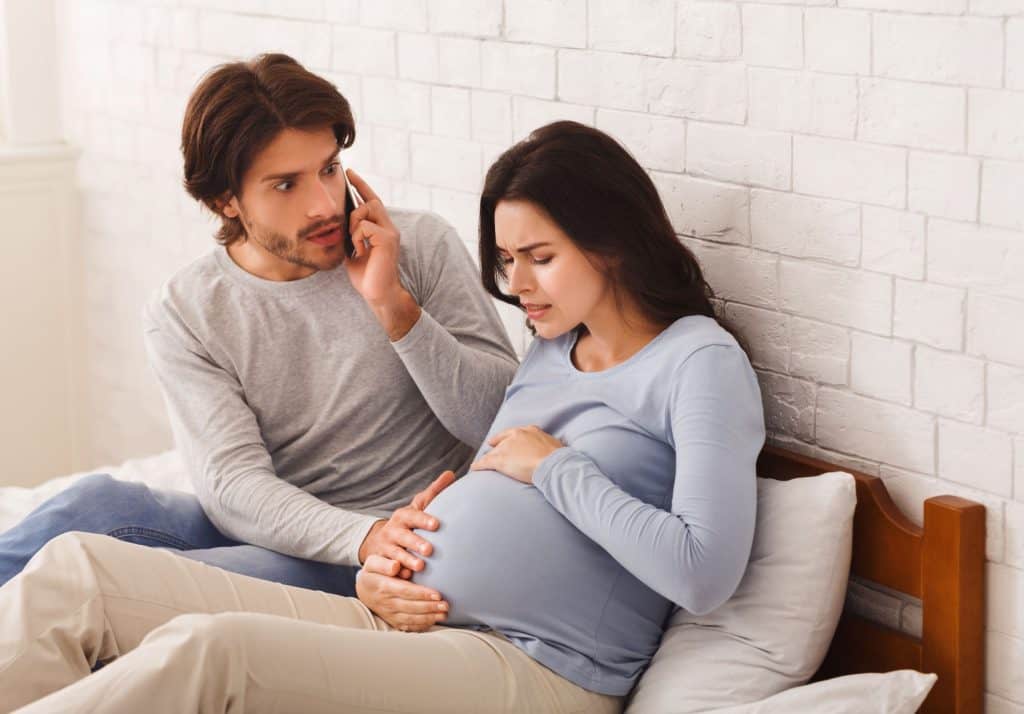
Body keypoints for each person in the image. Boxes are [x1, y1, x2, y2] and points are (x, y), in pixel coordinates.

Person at [0, 121, 766, 714]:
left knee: (211, 652)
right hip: (408, 614)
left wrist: (555, 468)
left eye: (539, 256)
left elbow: (702, 574)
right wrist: (379, 571)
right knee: (77, 570)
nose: (516, 285)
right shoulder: (555, 341)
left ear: (613, 242)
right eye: (506, 261)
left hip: (542, 666)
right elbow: (490, 479)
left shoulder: (698, 362)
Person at [0, 53, 518, 597]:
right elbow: (232, 486)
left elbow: (499, 420)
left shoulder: (419, 248)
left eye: (329, 169)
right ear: (224, 199)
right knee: (95, 505)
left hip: (406, 542)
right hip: (315, 534)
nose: (324, 204)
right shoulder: (188, 309)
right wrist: (361, 534)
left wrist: (394, 307)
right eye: (285, 185)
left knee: (120, 591)